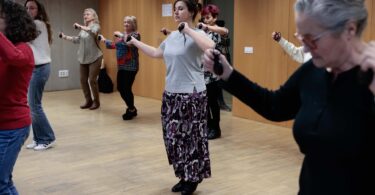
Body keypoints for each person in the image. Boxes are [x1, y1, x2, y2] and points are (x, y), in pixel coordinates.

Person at [203, 0, 375, 194]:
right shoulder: (313, 71)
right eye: (302, 38)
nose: (307, 49)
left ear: (349, 30)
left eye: (312, 39)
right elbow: (274, 106)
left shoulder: (370, 82)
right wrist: (228, 74)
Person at [127, 0, 214, 194]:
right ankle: (183, 175)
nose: (176, 12)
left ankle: (193, 179)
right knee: (173, 138)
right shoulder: (173, 36)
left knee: (192, 139)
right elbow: (157, 53)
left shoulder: (198, 34)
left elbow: (210, 46)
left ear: (191, 12)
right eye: (175, 9)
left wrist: (188, 30)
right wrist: (134, 42)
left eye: (181, 9)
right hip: (171, 94)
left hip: (192, 95)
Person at [0, 0, 38, 193]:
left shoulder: (24, 49)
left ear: (11, 22)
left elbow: (14, 57)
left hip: (12, 127)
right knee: (3, 180)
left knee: (1, 183)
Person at [24, 0, 56, 151]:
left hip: (40, 68)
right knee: (33, 106)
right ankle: (38, 139)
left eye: (32, 8)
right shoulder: (37, 24)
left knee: (35, 106)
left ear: (38, 10)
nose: (28, 10)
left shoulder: (37, 24)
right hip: (36, 68)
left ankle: (47, 137)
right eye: (26, 8)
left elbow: (20, 37)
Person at [60, 8, 103, 110]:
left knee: (92, 80)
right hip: (83, 58)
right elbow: (77, 40)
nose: (85, 15)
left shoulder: (96, 26)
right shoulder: (83, 30)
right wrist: (64, 37)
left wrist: (80, 27)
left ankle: (96, 102)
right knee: (83, 80)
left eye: (87, 14)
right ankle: (88, 101)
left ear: (93, 16)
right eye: (84, 14)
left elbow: (92, 32)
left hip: (95, 57)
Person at [197, 4, 229, 140]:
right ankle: (209, 126)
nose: (205, 20)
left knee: (212, 102)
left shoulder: (218, 31)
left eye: (208, 17)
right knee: (203, 103)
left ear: (215, 17)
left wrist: (206, 27)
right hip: (202, 73)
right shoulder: (204, 33)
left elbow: (225, 31)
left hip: (214, 74)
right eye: (204, 18)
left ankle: (216, 128)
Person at [99, 16, 140, 120]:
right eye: (125, 22)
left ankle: (131, 109)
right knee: (120, 88)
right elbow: (115, 45)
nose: (126, 24)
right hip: (121, 66)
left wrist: (121, 35)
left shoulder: (136, 35)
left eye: (128, 22)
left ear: (133, 24)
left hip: (131, 66)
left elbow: (130, 42)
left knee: (126, 88)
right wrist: (104, 40)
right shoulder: (122, 35)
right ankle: (131, 108)